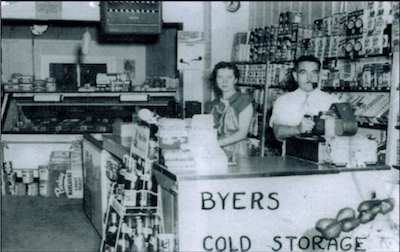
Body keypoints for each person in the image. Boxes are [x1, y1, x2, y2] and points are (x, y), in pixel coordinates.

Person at [269, 55, 340, 143]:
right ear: (295, 76)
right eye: (303, 72)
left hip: (325, 154)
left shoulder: (333, 101)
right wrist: (298, 129)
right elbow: (278, 132)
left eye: (314, 73)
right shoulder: (283, 101)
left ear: (319, 75)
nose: (309, 78)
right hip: (293, 154)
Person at [207, 62, 254, 157]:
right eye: (220, 77)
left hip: (236, 151)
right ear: (216, 80)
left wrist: (219, 143)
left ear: (235, 80)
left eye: (229, 77)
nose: (224, 82)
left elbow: (242, 133)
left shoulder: (243, 100)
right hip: (215, 150)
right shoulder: (214, 103)